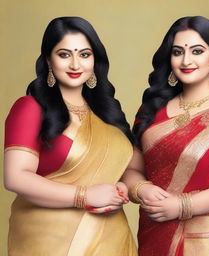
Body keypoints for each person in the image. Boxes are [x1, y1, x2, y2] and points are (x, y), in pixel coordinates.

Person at [122, 16, 209, 256]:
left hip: (206, 239)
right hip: (155, 232)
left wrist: (182, 206)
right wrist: (141, 189)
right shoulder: (152, 110)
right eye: (177, 52)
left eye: (197, 51)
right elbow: (131, 169)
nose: (186, 60)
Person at [4, 16, 137, 255]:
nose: (76, 64)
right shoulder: (30, 108)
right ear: (48, 60)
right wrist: (84, 196)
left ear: (95, 61)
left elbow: (128, 171)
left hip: (109, 237)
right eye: (64, 54)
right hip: (48, 240)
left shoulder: (107, 112)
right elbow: (15, 177)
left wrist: (122, 190)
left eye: (85, 55)